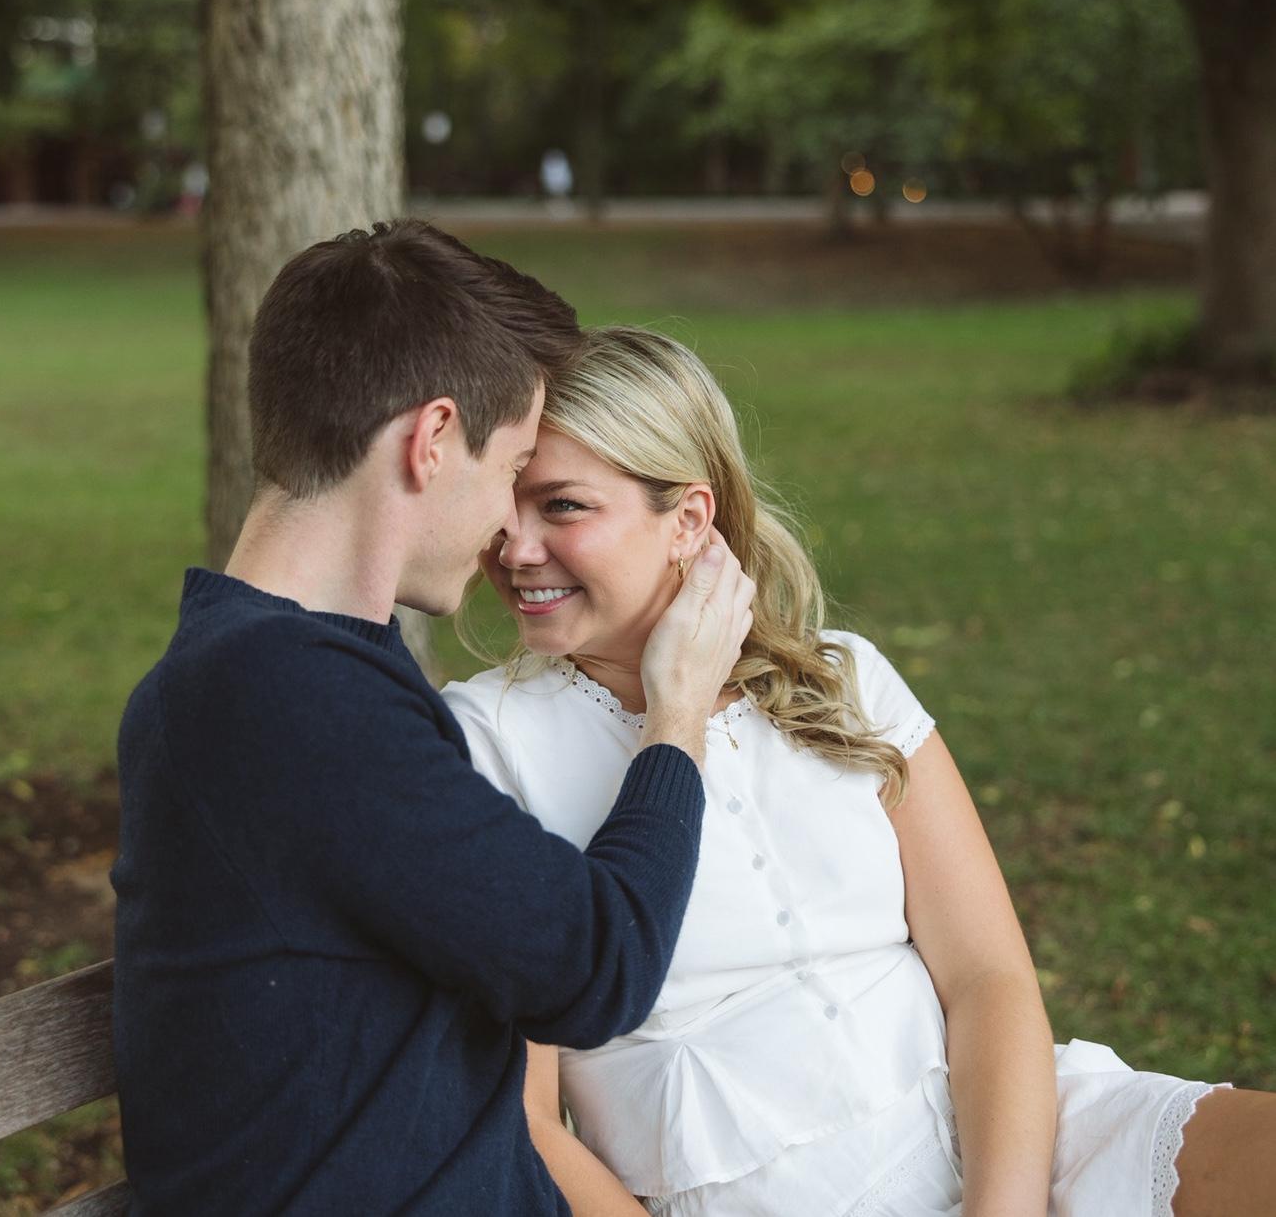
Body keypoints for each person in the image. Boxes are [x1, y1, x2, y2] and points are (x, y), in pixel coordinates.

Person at [441, 325, 1276, 1217]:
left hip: (1005, 1139)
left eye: (562, 506)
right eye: (507, 505)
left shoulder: (843, 676)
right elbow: (526, 1123)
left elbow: (988, 976)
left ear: (687, 519)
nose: (515, 547)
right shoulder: (483, 745)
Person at [110, 223, 755, 1216]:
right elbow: (597, 965)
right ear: (431, 438)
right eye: (507, 471)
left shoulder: (286, 672)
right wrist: (675, 714)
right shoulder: (284, 700)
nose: (508, 525)